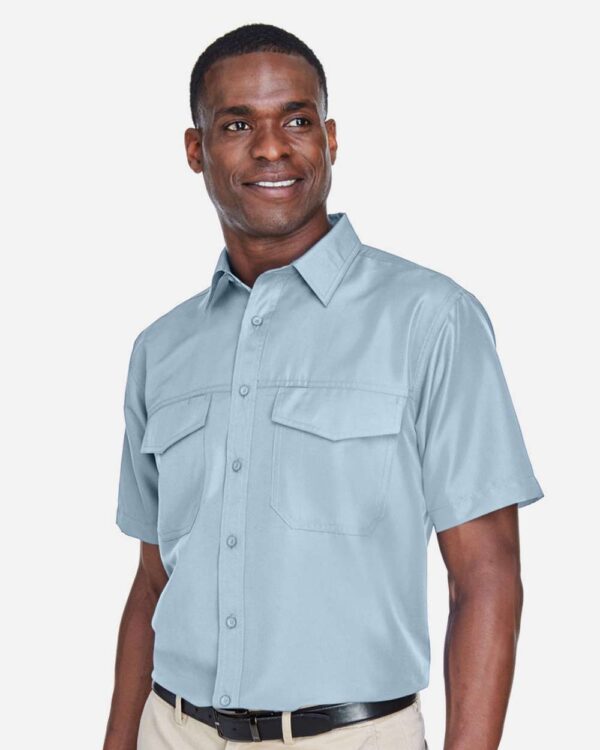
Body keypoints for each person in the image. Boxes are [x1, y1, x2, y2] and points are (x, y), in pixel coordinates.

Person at [103, 22, 544, 750]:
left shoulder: (431, 319)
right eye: (237, 124)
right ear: (195, 149)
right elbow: (152, 584)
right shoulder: (161, 349)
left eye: (297, 121)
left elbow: (486, 574)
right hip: (171, 730)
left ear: (330, 139)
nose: (271, 148)